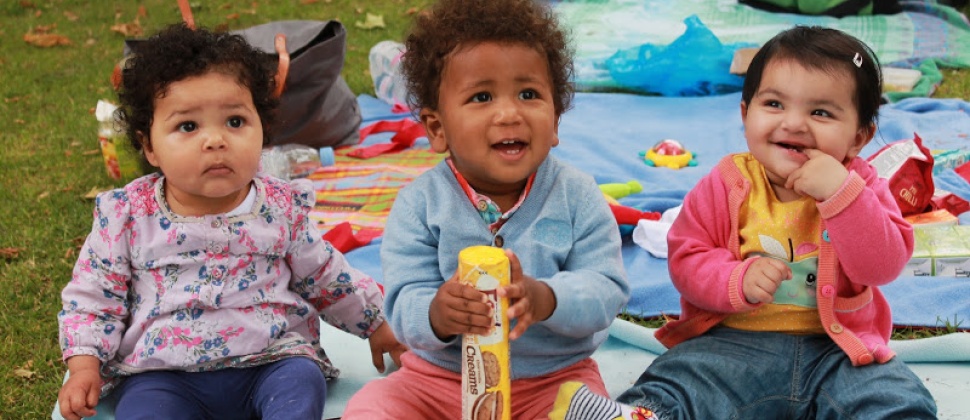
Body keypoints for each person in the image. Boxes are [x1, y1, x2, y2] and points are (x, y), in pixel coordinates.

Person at [550, 26, 937, 419]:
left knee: (895, 396)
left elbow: (884, 265)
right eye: (774, 104)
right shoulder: (726, 183)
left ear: (858, 137)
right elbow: (687, 257)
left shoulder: (862, 187)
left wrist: (841, 195)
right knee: (680, 381)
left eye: (820, 112)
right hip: (732, 345)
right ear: (744, 113)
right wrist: (736, 279)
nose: (794, 123)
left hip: (838, 353)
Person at [56, 23, 406, 420]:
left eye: (235, 122)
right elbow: (94, 296)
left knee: (300, 385)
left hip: (271, 360)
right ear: (149, 145)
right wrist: (83, 364)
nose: (215, 140)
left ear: (263, 130)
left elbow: (326, 275)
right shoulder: (127, 216)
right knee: (142, 411)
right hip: (163, 373)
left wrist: (377, 323)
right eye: (188, 126)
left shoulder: (280, 207)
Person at [342, 0, 629, 417]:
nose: (509, 112)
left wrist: (546, 296)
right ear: (438, 129)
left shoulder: (577, 195)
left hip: (551, 381)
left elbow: (606, 289)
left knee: (583, 410)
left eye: (529, 93)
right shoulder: (420, 204)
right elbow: (403, 302)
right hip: (441, 381)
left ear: (556, 121)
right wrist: (438, 313)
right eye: (481, 96)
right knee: (373, 405)